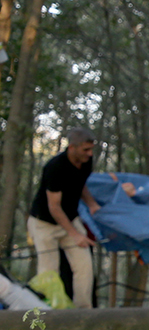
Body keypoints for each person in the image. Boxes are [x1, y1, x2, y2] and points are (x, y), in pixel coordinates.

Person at [27, 127, 101, 308]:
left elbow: (80, 184)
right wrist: (75, 234)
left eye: (91, 149)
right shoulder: (54, 167)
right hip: (44, 223)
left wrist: (91, 204)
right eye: (85, 150)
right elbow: (54, 207)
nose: (90, 154)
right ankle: (49, 313)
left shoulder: (86, 162)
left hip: (71, 218)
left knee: (84, 268)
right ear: (72, 148)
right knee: (49, 271)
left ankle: (84, 313)